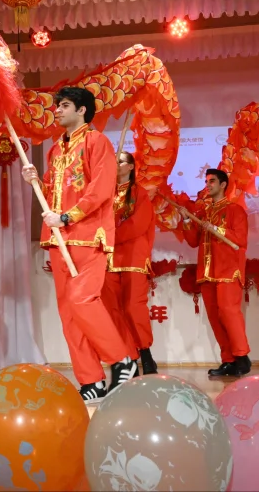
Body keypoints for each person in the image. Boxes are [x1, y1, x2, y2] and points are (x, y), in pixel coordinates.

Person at [22, 87, 137, 401]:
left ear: (83, 110)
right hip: (59, 239)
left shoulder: (97, 142)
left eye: (65, 105)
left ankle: (121, 359)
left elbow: (100, 189)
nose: (57, 110)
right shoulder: (55, 150)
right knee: (69, 313)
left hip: (87, 234)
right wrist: (35, 179)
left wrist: (68, 217)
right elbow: (51, 193)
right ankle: (91, 381)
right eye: (57, 105)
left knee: (83, 300)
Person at [182, 169, 251, 377]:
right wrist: (187, 221)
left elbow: (240, 239)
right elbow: (194, 241)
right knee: (214, 317)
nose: (208, 184)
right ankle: (228, 359)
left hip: (228, 270)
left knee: (229, 313)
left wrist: (214, 228)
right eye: (206, 181)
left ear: (223, 185)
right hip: (207, 272)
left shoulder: (235, 210)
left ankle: (242, 356)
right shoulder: (204, 212)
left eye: (212, 181)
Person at [102, 151, 158, 375]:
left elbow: (138, 224)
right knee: (112, 309)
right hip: (108, 259)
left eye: (121, 161)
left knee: (134, 307)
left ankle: (145, 353)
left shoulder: (139, 193)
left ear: (132, 167)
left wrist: (109, 234)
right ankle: (128, 358)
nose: (116, 165)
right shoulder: (106, 194)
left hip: (133, 257)